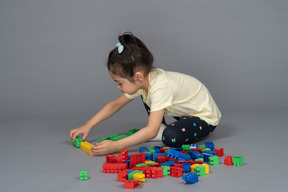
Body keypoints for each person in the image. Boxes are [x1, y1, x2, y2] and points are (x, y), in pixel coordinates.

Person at [69, 32, 222, 156]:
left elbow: (150, 131)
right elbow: (116, 104)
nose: (117, 87)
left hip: (204, 117)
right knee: (144, 94)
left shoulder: (160, 87)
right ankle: (158, 126)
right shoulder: (144, 81)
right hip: (184, 111)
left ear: (138, 76)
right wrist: (88, 125)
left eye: (120, 83)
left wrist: (116, 145)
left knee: (170, 136)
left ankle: (160, 128)